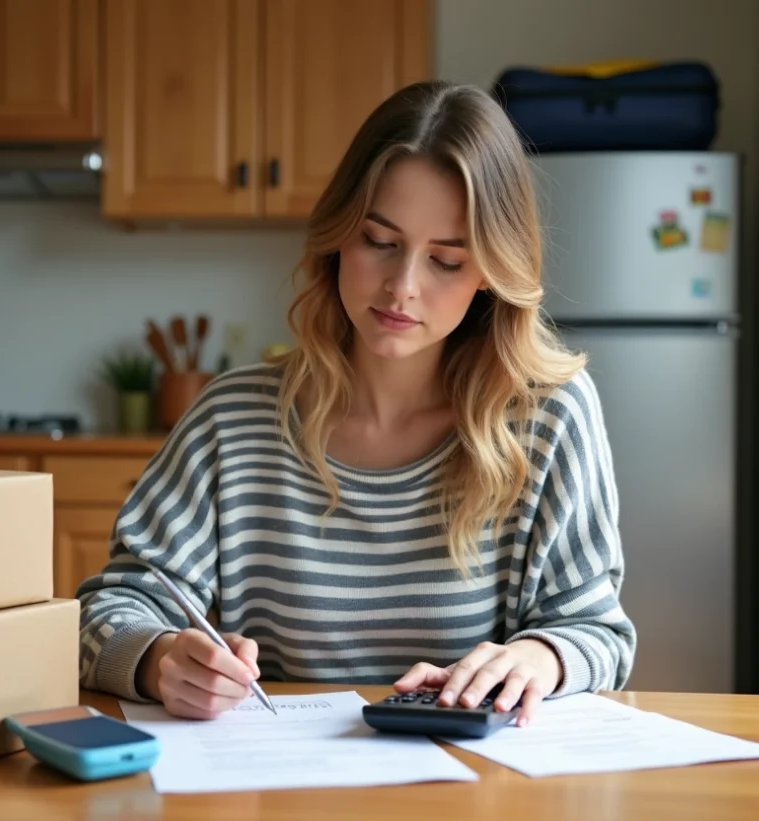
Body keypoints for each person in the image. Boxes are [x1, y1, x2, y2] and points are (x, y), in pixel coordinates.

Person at [76, 80, 636, 727]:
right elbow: (106, 611)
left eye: (446, 261)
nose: (402, 287)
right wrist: (161, 657)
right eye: (379, 241)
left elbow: (598, 630)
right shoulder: (231, 420)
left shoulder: (549, 415)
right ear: (338, 235)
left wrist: (540, 657)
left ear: (490, 273)